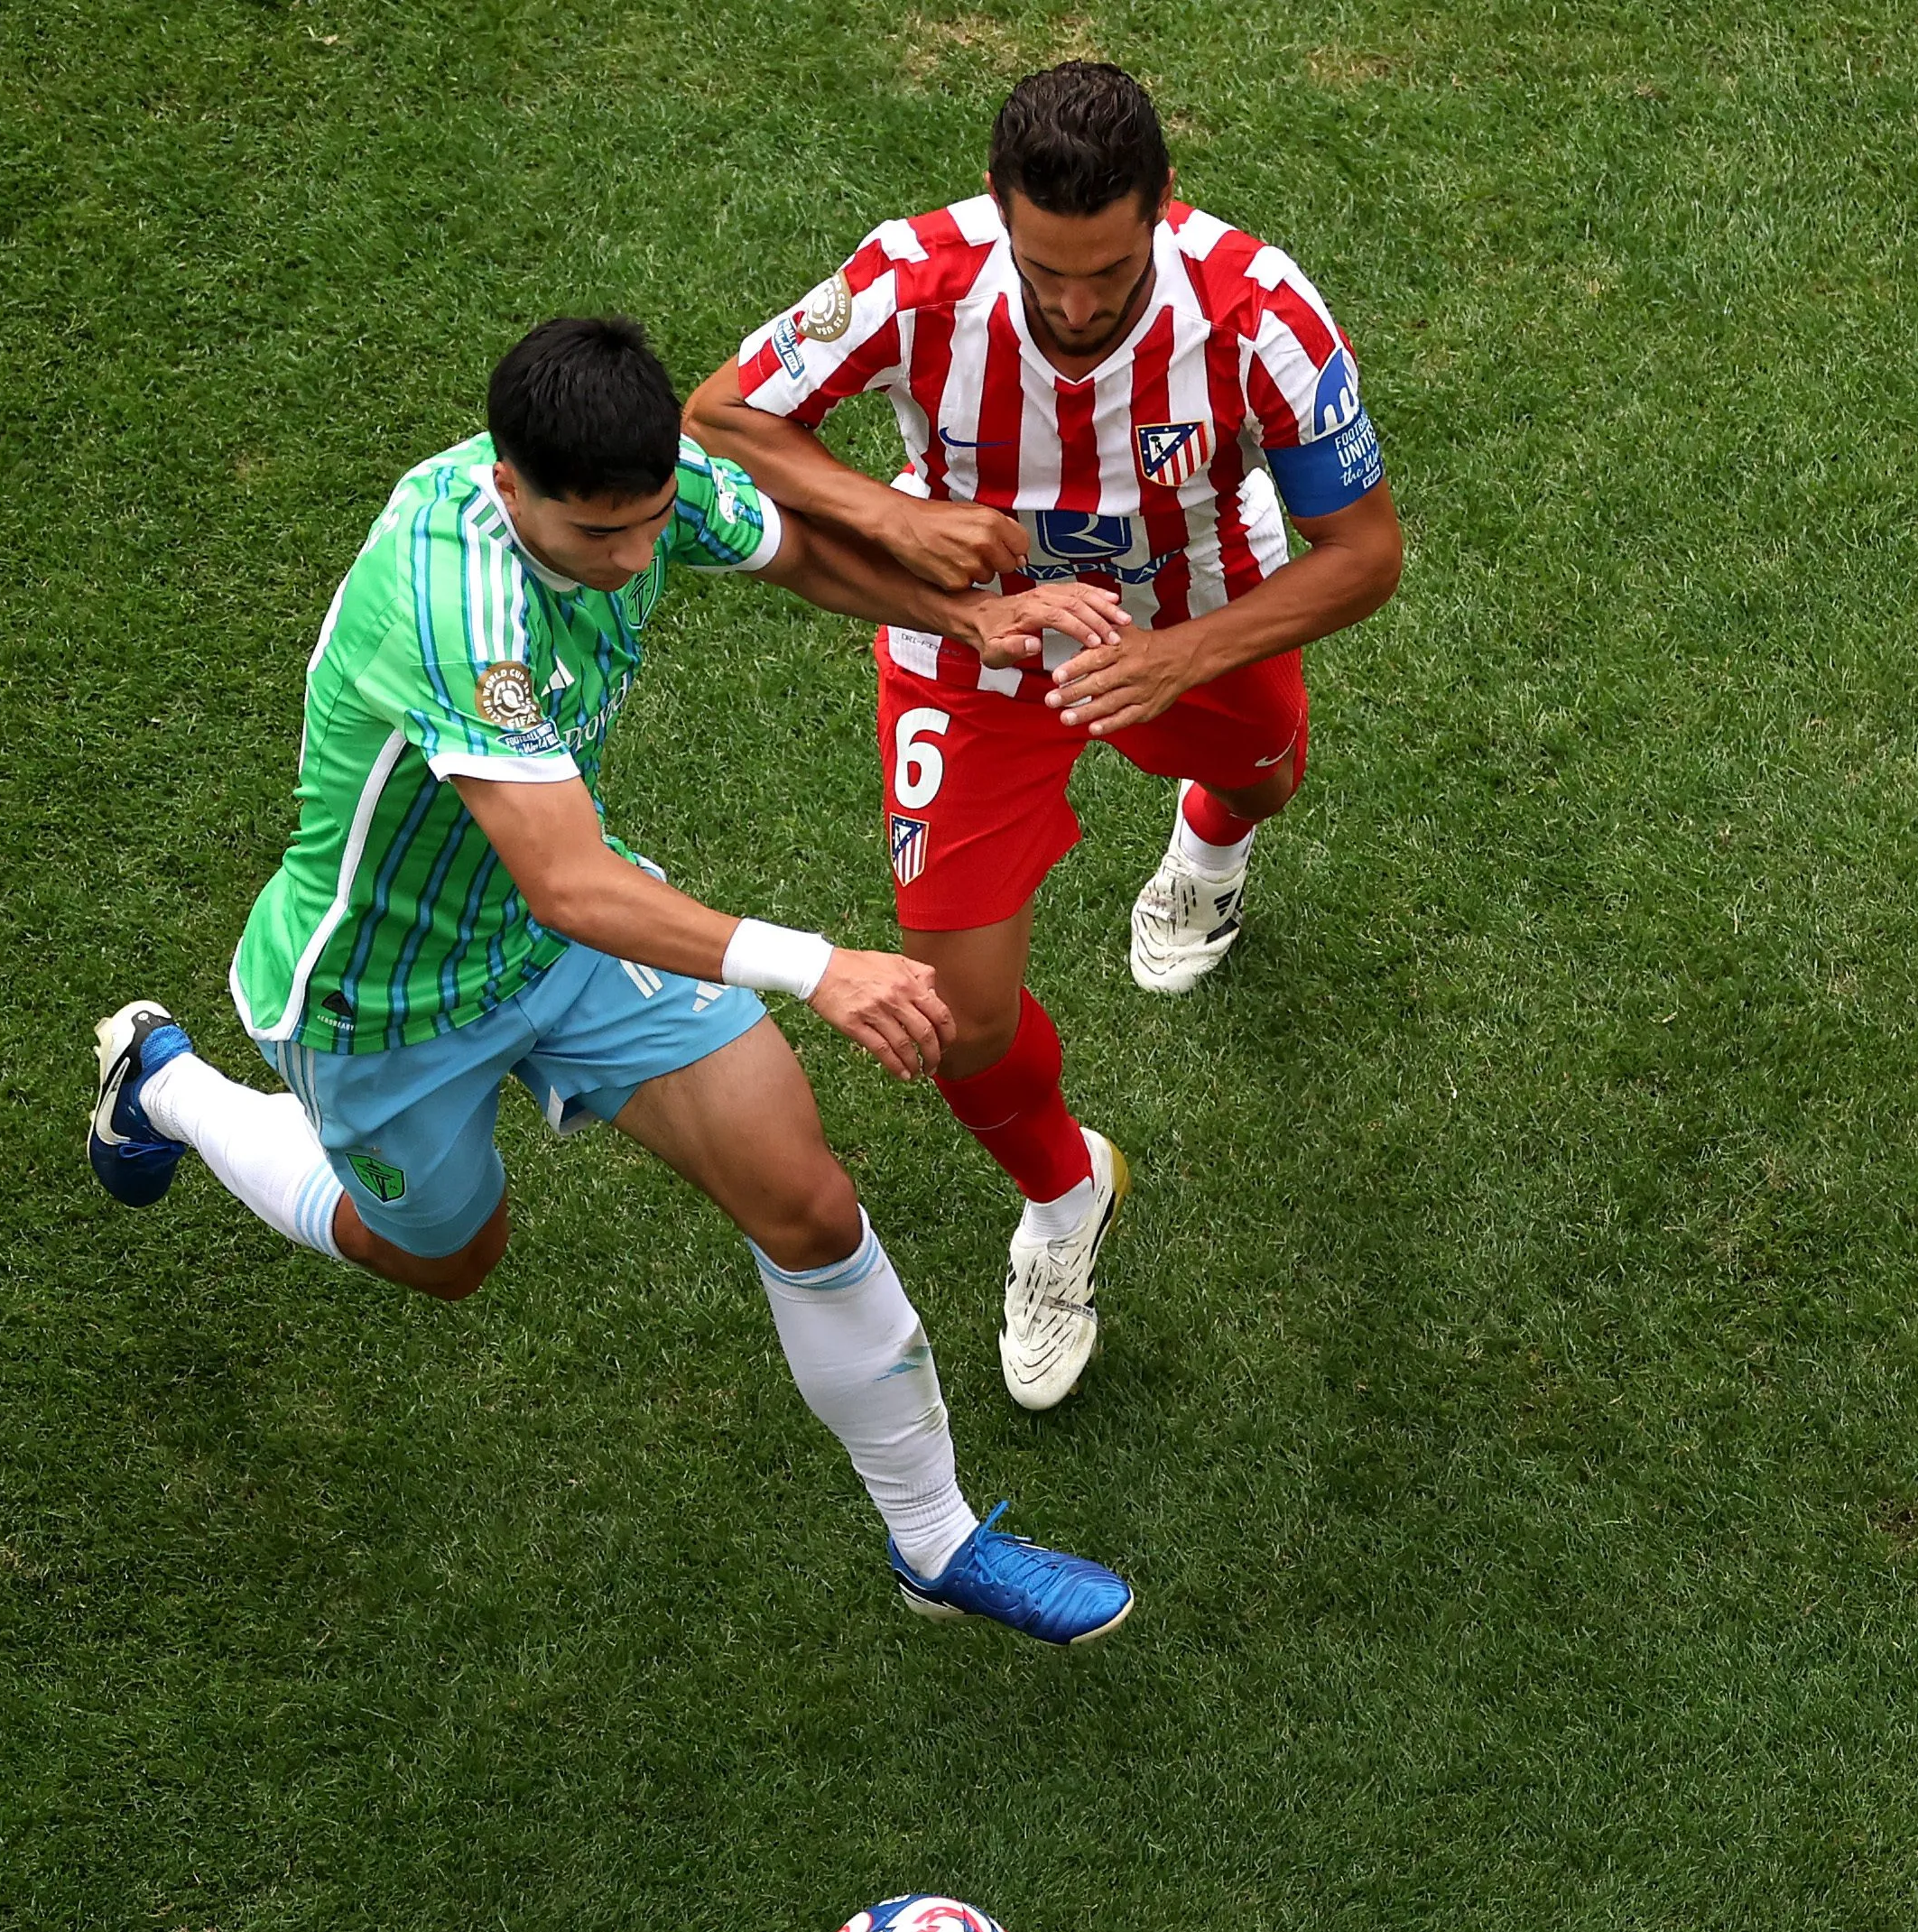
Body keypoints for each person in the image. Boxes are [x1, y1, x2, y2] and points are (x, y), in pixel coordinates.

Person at [85, 317, 1136, 1644]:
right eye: (598, 540)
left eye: (647, 525)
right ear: (511, 482)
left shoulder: (642, 481)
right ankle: (165, 1087)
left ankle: (934, 1540)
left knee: (803, 1200)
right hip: (385, 997)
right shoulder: (451, 603)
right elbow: (565, 878)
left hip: (565, 947)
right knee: (445, 1259)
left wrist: (967, 616)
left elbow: (786, 546)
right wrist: (818, 969)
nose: (635, 558)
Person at [687, 61, 1404, 1413]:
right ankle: (1066, 1198)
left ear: (1162, 214)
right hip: (974, 645)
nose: (1076, 310)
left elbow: (1363, 554)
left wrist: (1174, 657)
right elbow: (721, 416)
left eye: (1111, 274)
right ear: (997, 211)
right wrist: (895, 521)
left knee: (1267, 778)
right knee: (955, 1016)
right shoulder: (913, 278)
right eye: (1044, 271)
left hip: (1195, 621)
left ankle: (1208, 845)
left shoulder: (1260, 314)